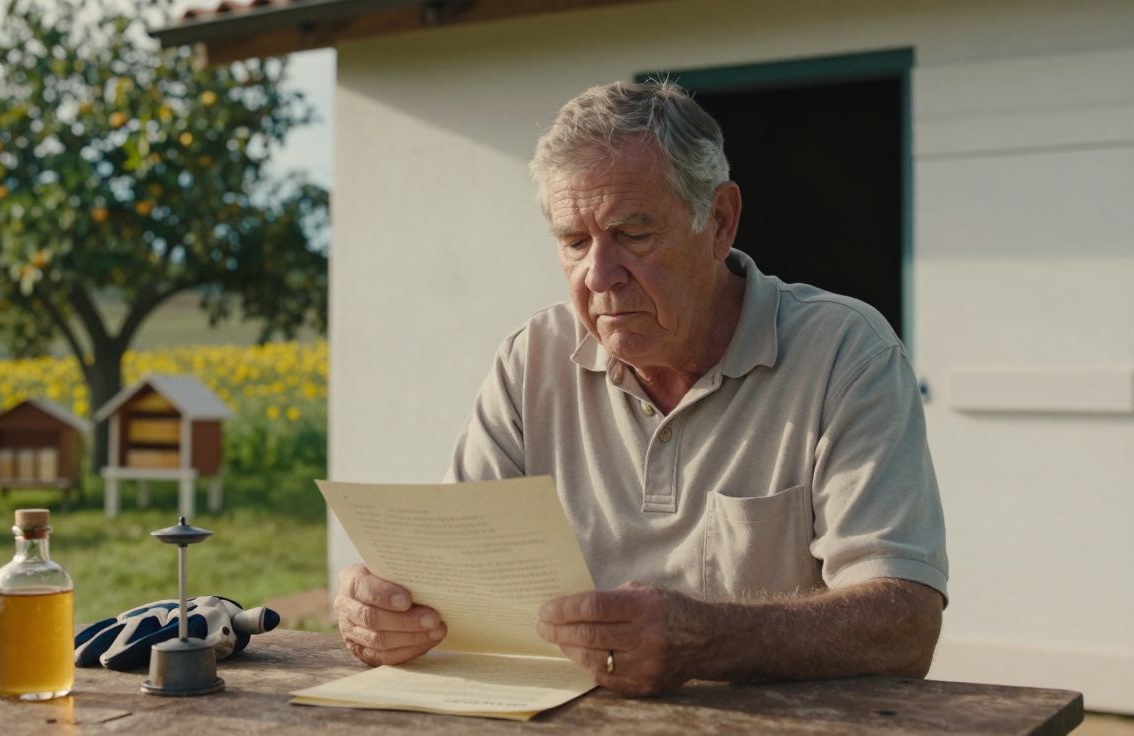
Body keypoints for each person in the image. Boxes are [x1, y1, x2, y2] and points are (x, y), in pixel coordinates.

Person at [334, 80, 948, 696]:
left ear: (721, 223)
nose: (599, 275)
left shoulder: (846, 353)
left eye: (633, 234)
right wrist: (384, 612)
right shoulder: (531, 361)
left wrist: (710, 639)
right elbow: (452, 579)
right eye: (575, 242)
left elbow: (905, 624)